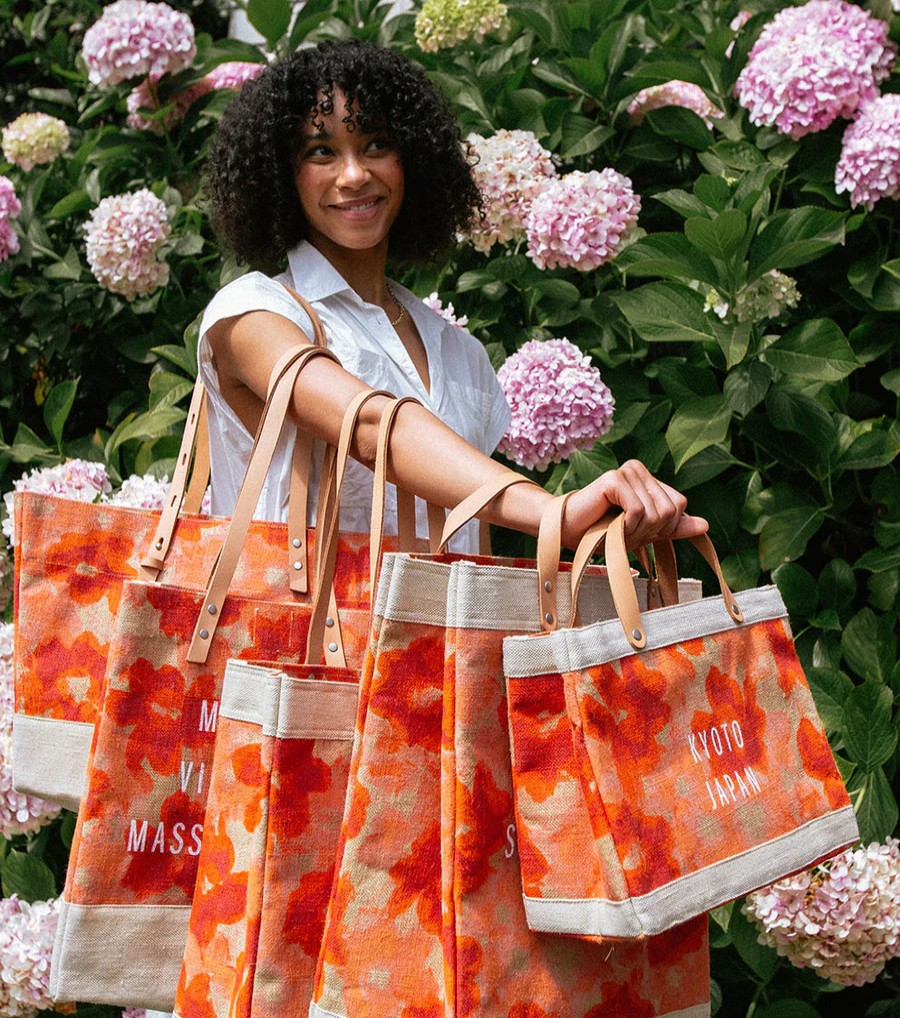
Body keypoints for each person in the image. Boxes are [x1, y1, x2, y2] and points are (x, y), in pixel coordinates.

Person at [198, 38, 707, 557]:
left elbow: (473, 550)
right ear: (283, 174)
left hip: (435, 639)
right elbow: (370, 426)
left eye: (376, 144)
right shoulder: (252, 312)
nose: (354, 175)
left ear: (414, 159)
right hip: (296, 636)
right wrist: (553, 513)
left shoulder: (461, 353)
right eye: (321, 151)